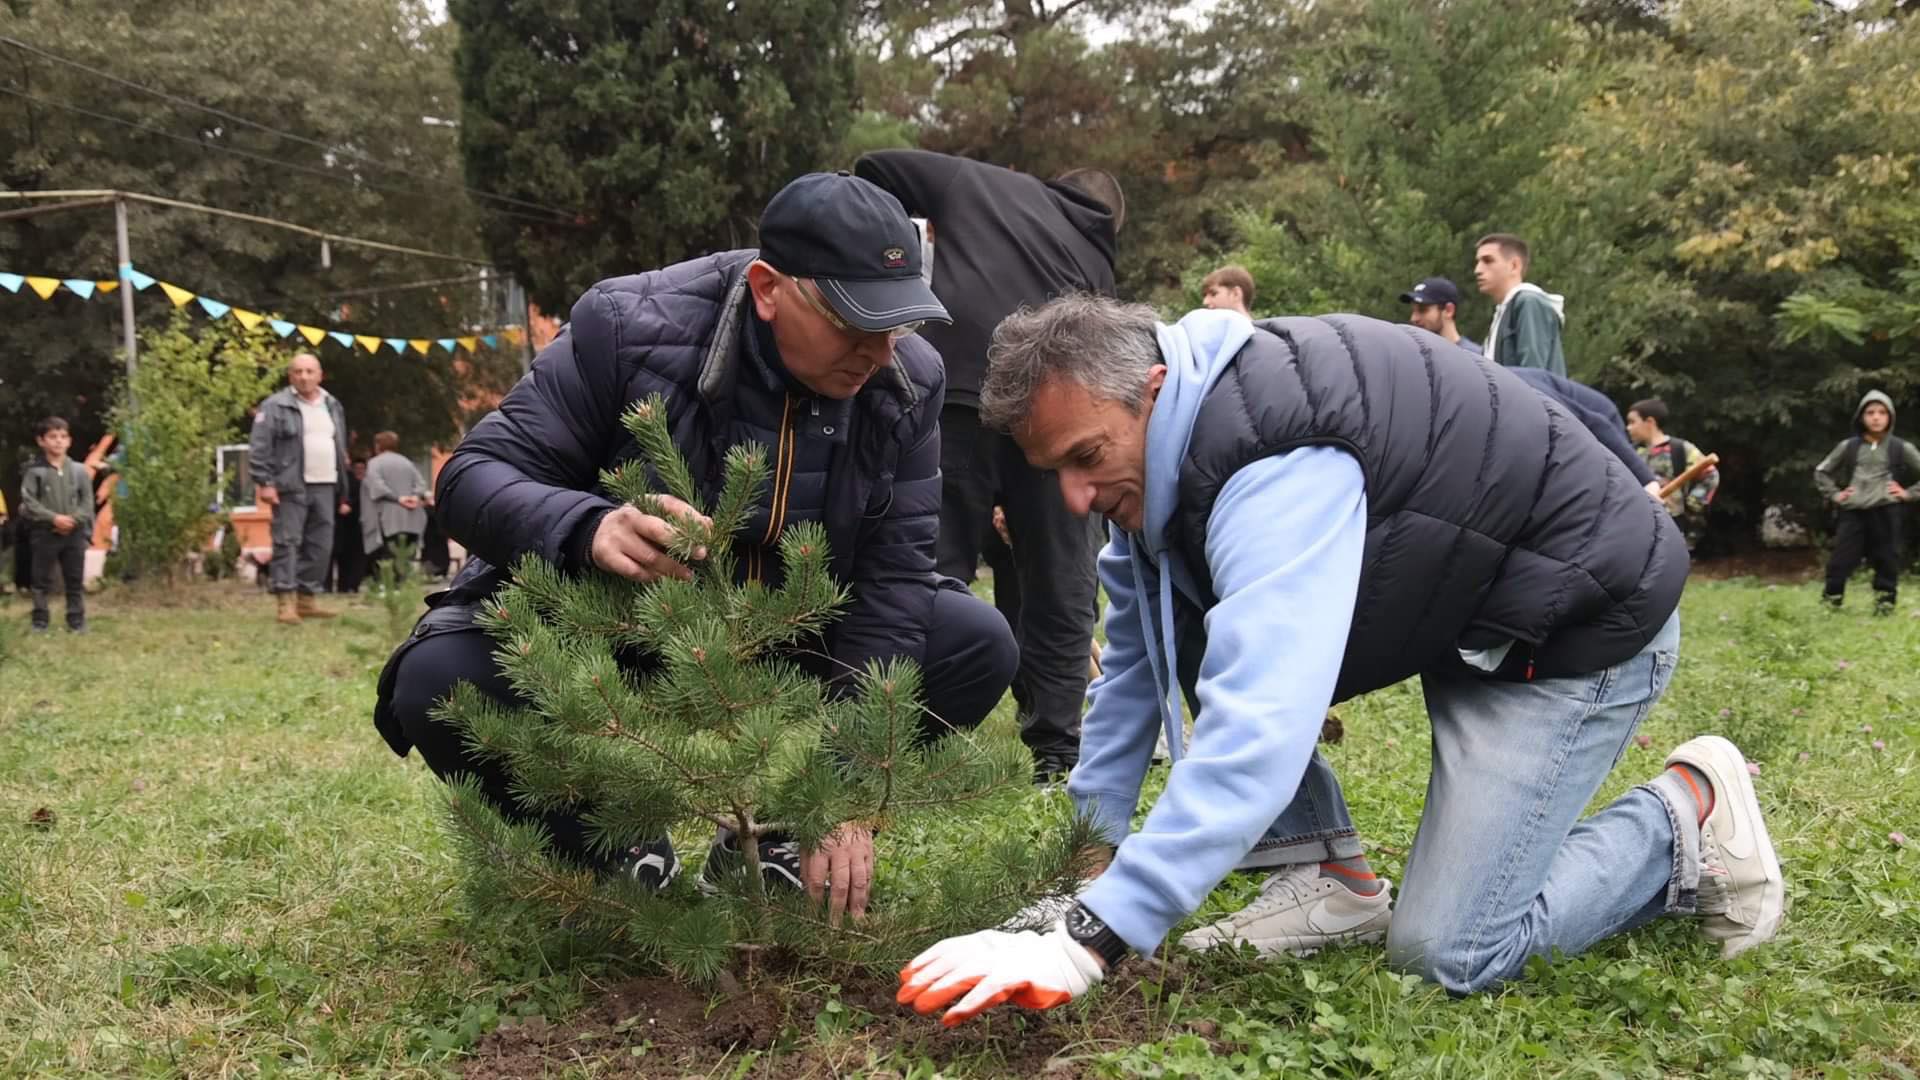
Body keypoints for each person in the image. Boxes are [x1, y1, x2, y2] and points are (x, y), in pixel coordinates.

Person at [896, 296, 1784, 1026]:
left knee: (1449, 951)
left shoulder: (1273, 467)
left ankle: (1686, 813)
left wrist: (1086, 941)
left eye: (1087, 459)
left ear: (1154, 390)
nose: (1077, 497)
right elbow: (1133, 674)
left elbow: (1263, 726)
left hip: (1570, 624)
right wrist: (1088, 866)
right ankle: (1327, 872)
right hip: (1468, 608)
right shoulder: (1173, 463)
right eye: (1055, 472)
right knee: (1201, 621)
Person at [372, 172, 1018, 918]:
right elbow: (472, 480)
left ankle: (773, 842)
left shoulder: (909, 381)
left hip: (791, 638)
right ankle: (611, 849)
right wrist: (590, 526)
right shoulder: (627, 326)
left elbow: (895, 581)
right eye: (855, 322)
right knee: (437, 677)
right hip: (625, 639)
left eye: (896, 324)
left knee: (973, 641)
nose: (879, 352)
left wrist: (840, 789)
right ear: (769, 289)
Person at [855, 148, 1123, 781]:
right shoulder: (1098, 256)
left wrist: (906, 254)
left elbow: (872, 168)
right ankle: (1058, 753)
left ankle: (907, 739)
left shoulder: (976, 182)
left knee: (928, 570)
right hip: (1056, 410)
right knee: (1062, 583)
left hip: (956, 389)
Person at [248, 352, 351, 625]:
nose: (304, 376)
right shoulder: (274, 406)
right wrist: (265, 482)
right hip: (290, 486)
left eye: (309, 371)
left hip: (326, 484)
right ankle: (285, 602)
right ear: (290, 376)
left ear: (320, 375)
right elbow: (259, 447)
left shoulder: (332, 404)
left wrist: (343, 489)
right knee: (287, 543)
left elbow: (340, 447)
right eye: (298, 372)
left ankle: (307, 599)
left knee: (321, 545)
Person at [1814, 390, 1919, 615]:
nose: (1876, 417)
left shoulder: (1900, 448)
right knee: (1839, 562)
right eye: (1870, 412)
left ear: (1890, 417)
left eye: (1882, 412)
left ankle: (1884, 609)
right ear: (1861, 417)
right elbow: (1822, 472)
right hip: (1853, 513)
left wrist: (1908, 494)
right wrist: (1836, 495)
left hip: (1886, 511)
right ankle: (1830, 608)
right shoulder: (1849, 447)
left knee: (1887, 562)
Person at [19, 417, 95, 633]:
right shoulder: (35, 472)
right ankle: (40, 621)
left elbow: (87, 502)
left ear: (69, 441)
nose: (58, 442)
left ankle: (76, 621)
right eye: (52, 437)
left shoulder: (80, 471)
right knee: (41, 580)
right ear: (41, 441)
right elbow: (29, 502)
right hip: (45, 532)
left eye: (63, 437)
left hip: (74, 533)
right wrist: (54, 518)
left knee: (74, 579)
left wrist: (74, 520)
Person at [1626, 398, 1719, 553]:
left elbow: (1711, 476)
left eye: (1632, 422)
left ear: (1650, 422)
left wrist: (1692, 504)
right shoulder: (1631, 453)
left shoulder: (1680, 449)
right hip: (1636, 525)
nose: (1628, 428)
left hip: (1672, 524)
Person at [1473, 234, 1565, 376]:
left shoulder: (1528, 302)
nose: (1478, 270)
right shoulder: (1504, 310)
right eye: (1478, 261)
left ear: (1514, 266)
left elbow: (1534, 375)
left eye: (1488, 261)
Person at [361, 432, 429, 576]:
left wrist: (398, 498)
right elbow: (421, 484)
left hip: (388, 517)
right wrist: (414, 497)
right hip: (412, 517)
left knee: (388, 555)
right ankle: (404, 584)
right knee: (407, 556)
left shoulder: (375, 463)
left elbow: (377, 487)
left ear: (378, 445)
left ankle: (390, 586)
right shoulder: (406, 462)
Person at [1400, 277, 1480, 354]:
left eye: (1422, 310)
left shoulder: (1475, 357)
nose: (1414, 318)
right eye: (1413, 311)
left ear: (1449, 310)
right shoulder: (1415, 357)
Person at [331, 458, 369, 594]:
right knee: (344, 558)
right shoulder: (351, 482)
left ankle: (351, 585)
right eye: (357, 468)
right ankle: (345, 586)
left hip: (355, 526)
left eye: (362, 468)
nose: (359, 471)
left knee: (353, 558)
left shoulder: (362, 484)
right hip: (345, 526)